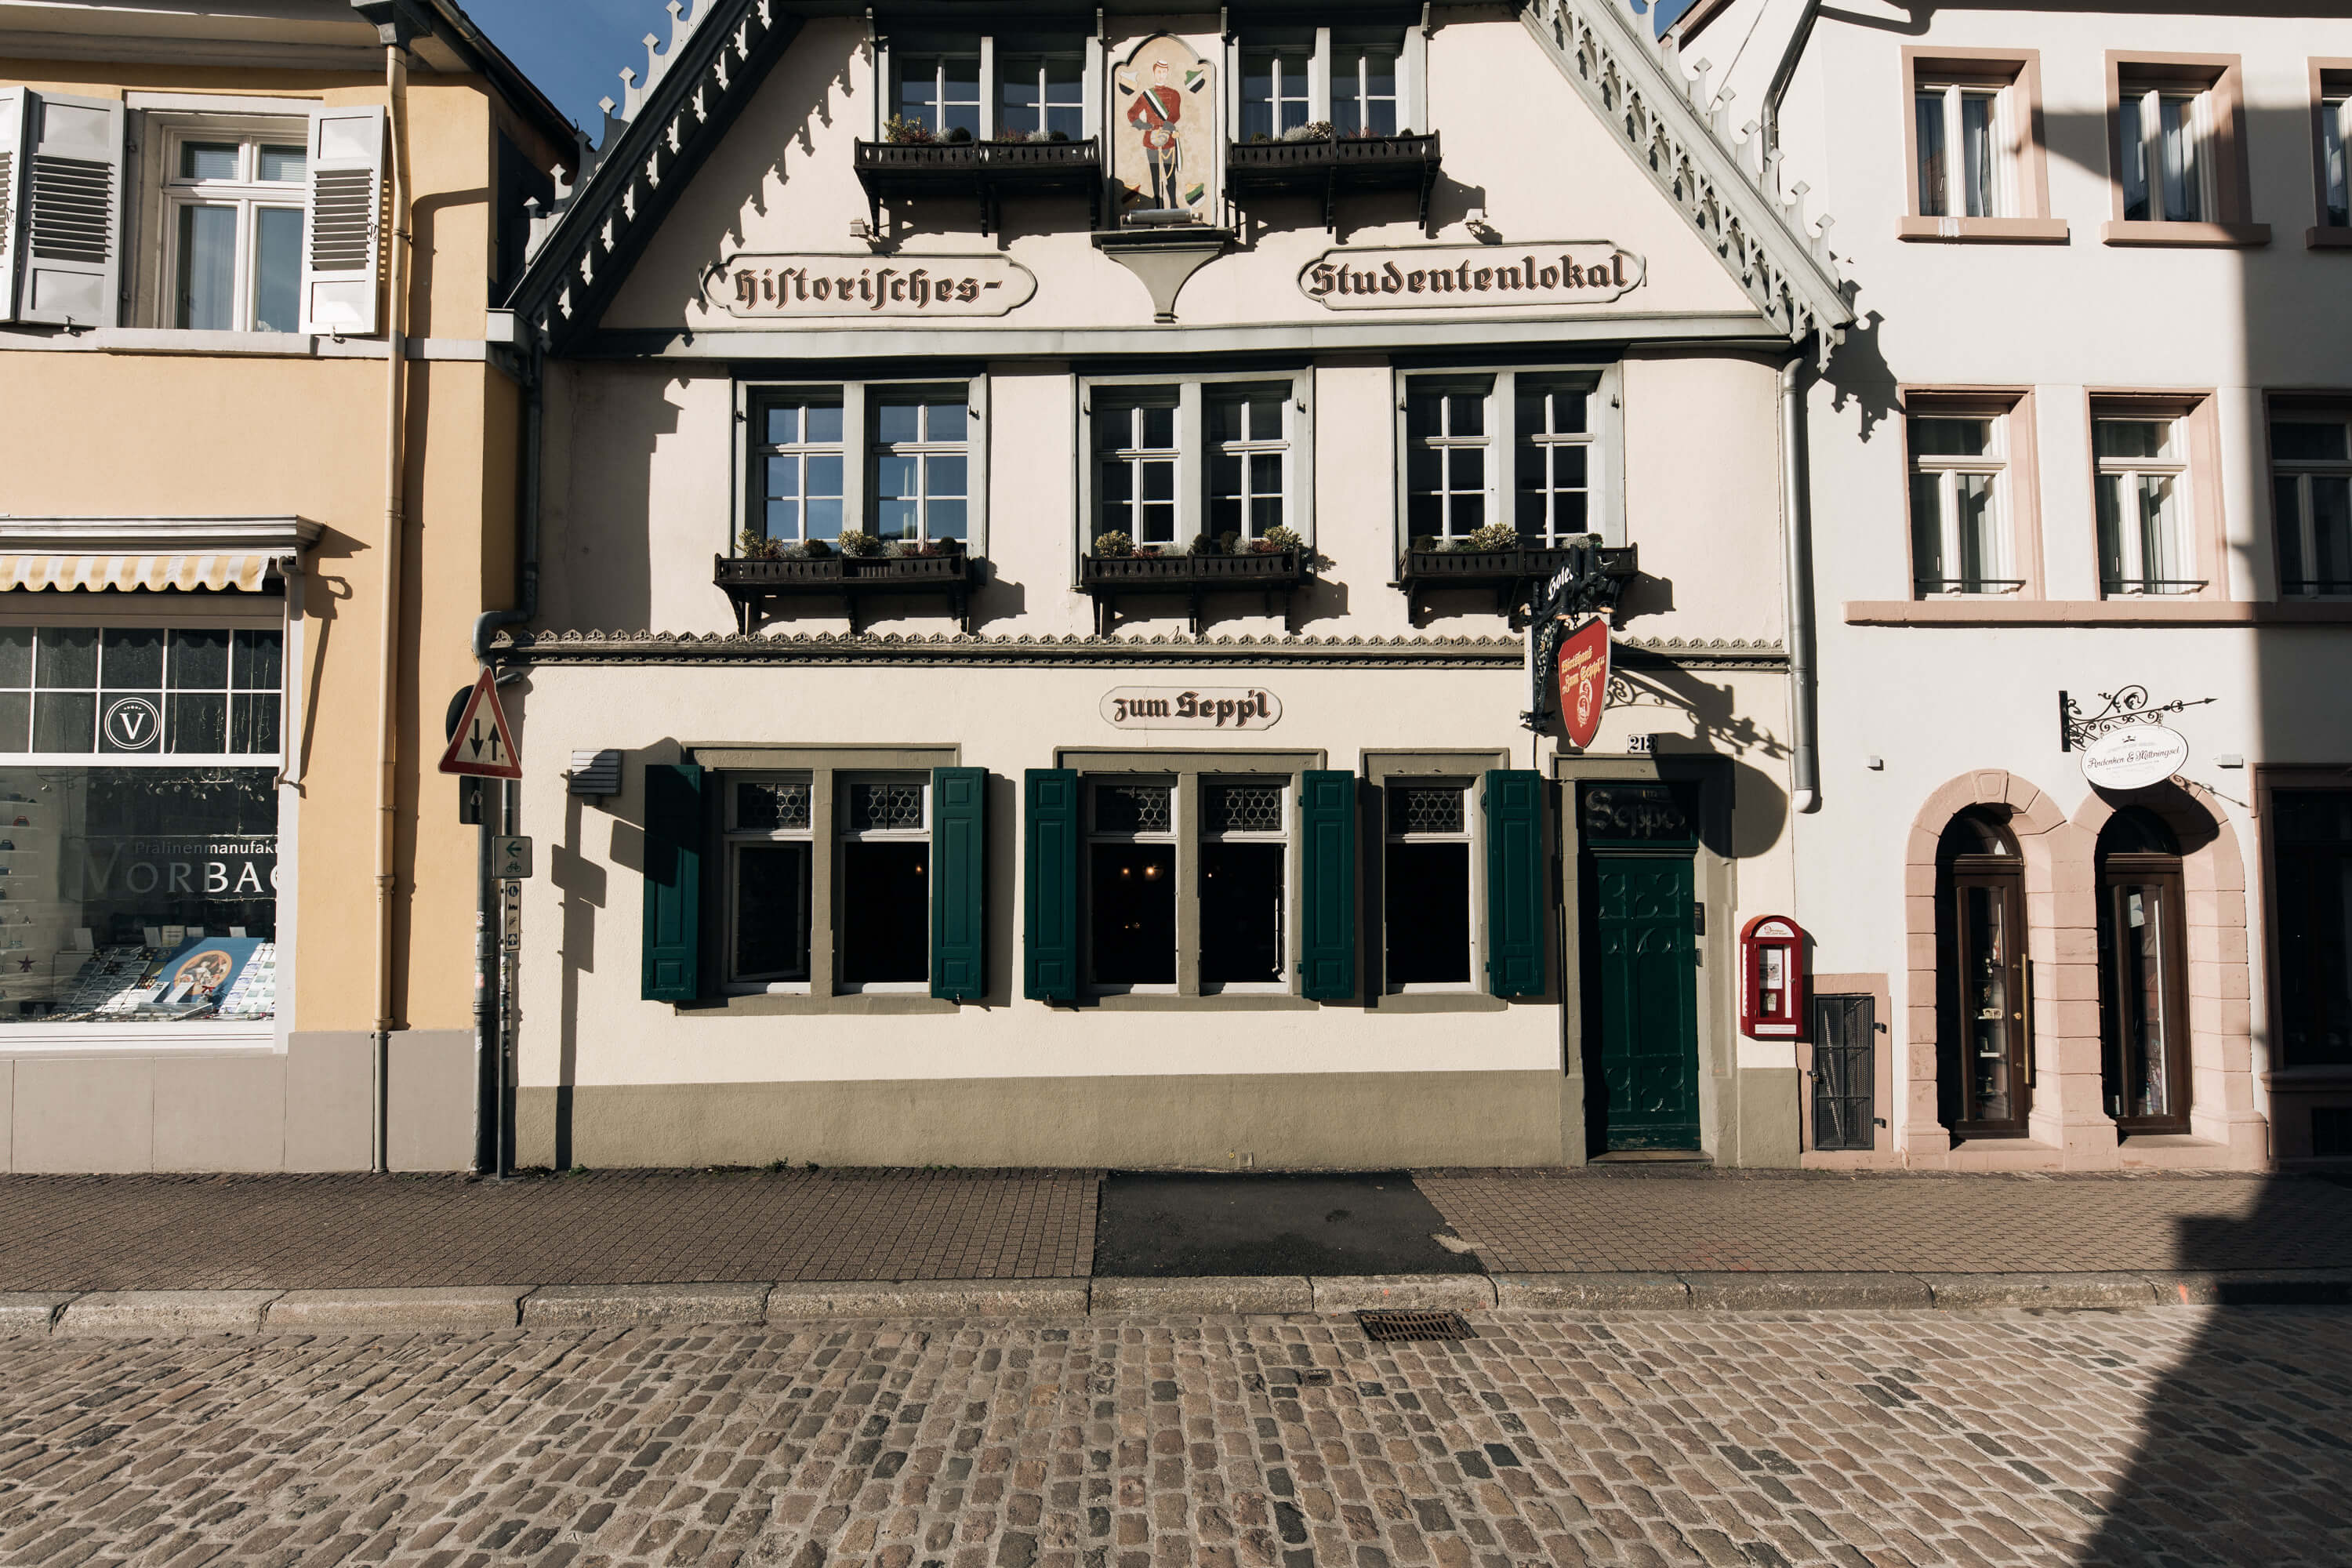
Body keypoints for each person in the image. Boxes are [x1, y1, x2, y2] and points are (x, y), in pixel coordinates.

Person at [1127, 59, 1184, 210]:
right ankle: (1158, 205)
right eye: (1159, 72)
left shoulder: (1174, 94)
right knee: (1155, 175)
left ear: (1167, 73)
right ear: (1154, 73)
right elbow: (1132, 113)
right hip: (1150, 141)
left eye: (1164, 72)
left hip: (1168, 140)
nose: (1161, 75)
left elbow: (1175, 114)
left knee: (1170, 175)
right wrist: (1145, 126)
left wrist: (1166, 128)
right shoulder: (1147, 95)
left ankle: (1173, 204)